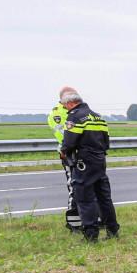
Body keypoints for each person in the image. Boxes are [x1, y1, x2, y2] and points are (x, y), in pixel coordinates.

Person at [57, 87, 118, 242]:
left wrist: (63, 152)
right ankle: (112, 231)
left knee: (85, 199)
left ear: (69, 103)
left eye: (64, 105)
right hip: (100, 161)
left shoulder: (75, 117)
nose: (64, 108)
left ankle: (91, 236)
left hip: (83, 163)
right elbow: (106, 142)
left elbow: (69, 142)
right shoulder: (98, 117)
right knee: (104, 198)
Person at [47, 98, 81, 233]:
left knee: (86, 188)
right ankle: (74, 224)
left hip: (79, 152)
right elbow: (64, 134)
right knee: (74, 188)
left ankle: (88, 219)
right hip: (70, 153)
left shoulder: (73, 111)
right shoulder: (58, 113)